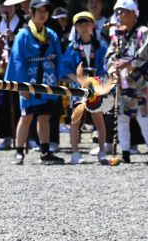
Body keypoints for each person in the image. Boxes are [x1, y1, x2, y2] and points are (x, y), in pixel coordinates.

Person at [7, 0, 65, 164]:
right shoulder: (23, 35)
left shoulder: (51, 34)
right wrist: (21, 85)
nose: (42, 13)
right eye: (39, 10)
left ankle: (45, 151)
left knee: (45, 116)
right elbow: (17, 60)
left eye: (45, 11)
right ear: (32, 12)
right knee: (26, 116)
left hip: (48, 80)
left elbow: (59, 57)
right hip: (29, 80)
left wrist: (58, 78)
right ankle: (19, 152)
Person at [61, 11, 109, 164]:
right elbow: (65, 68)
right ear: (75, 26)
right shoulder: (72, 47)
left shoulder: (101, 45)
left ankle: (102, 151)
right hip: (78, 85)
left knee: (98, 119)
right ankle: (75, 153)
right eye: (80, 23)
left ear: (93, 25)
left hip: (97, 85)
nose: (83, 26)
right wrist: (80, 80)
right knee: (76, 119)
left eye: (86, 23)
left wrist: (96, 82)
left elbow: (106, 66)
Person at [105, 0, 148, 163]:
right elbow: (109, 55)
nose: (120, 16)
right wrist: (112, 68)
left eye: (123, 12)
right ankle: (125, 152)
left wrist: (129, 63)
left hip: (142, 83)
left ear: (133, 13)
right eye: (118, 13)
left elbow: (144, 54)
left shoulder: (143, 32)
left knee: (143, 117)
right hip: (123, 83)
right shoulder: (118, 35)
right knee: (123, 117)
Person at [0, 0, 26, 149]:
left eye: (9, 5)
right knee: (3, 105)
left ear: (15, 7)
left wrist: (15, 38)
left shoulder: (23, 25)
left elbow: (28, 45)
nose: (6, 8)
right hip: (1, 71)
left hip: (19, 70)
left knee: (19, 103)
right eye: (2, 5)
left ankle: (26, 136)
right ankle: (7, 137)